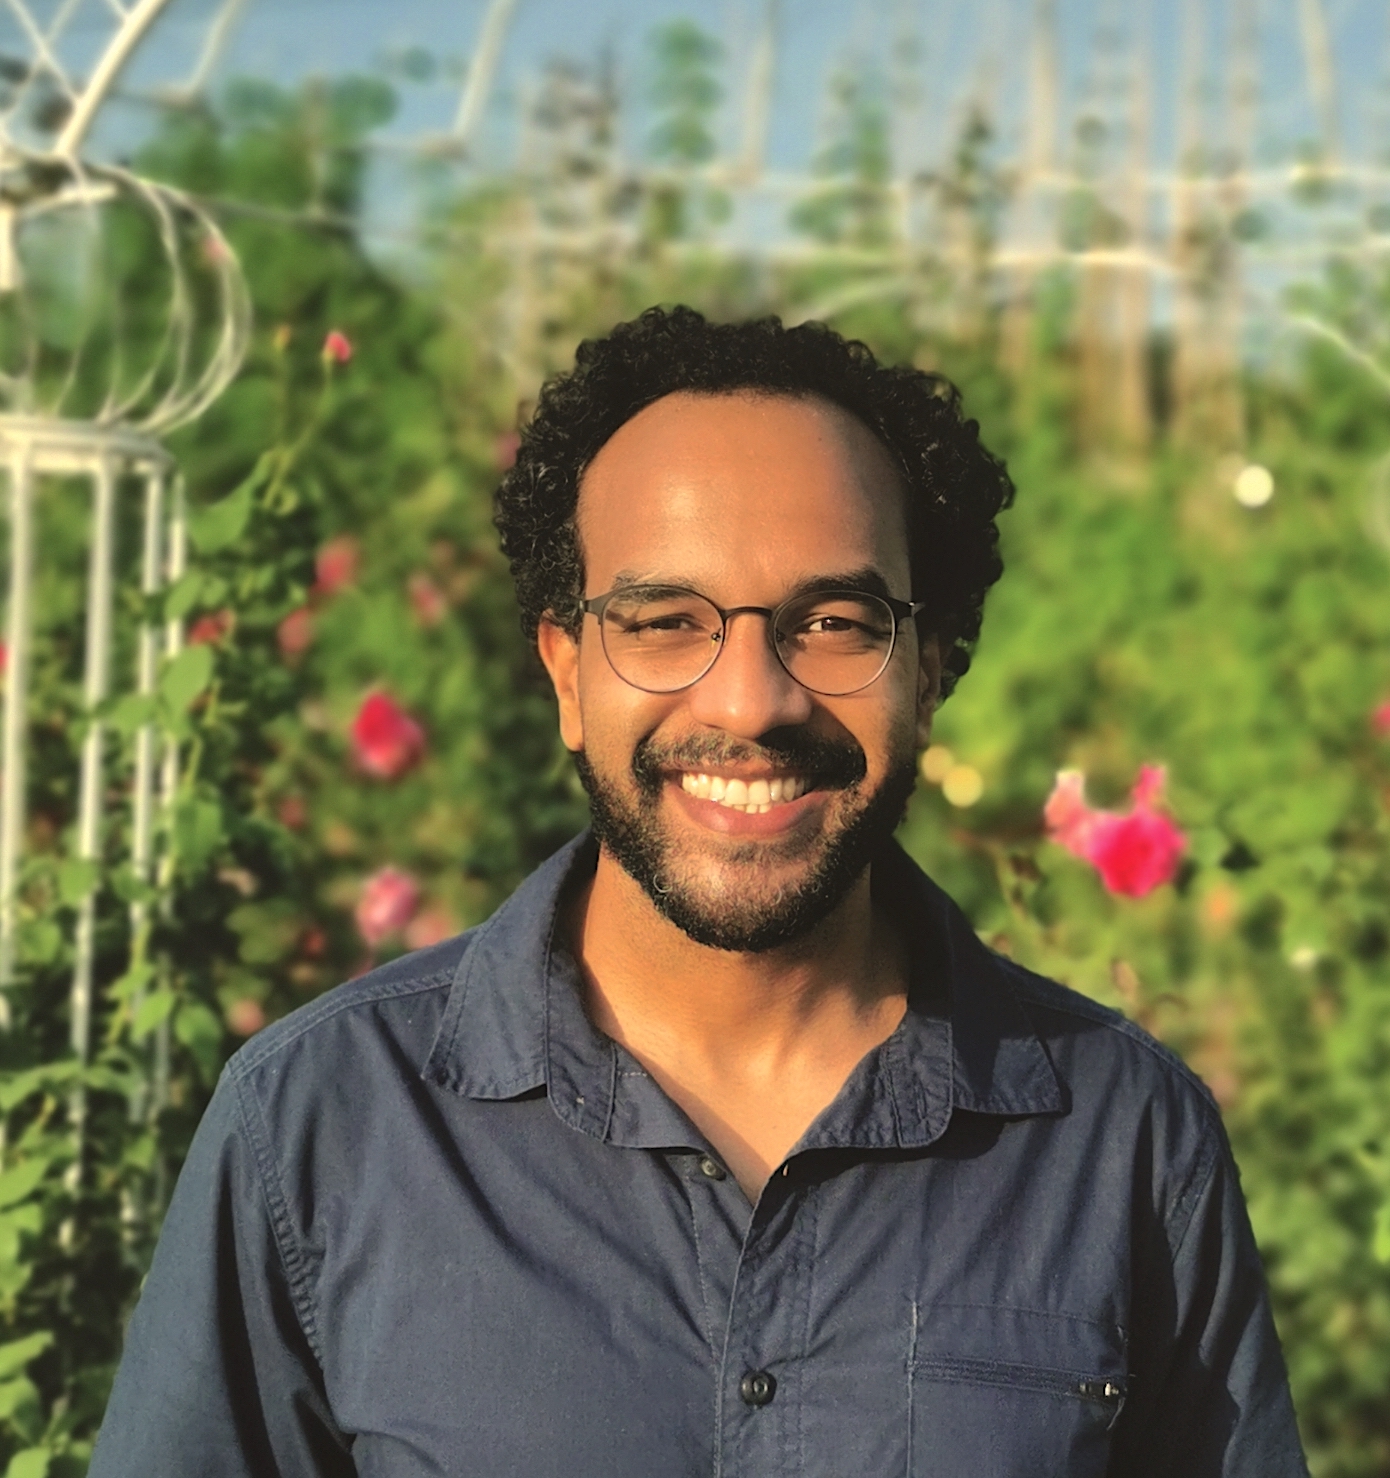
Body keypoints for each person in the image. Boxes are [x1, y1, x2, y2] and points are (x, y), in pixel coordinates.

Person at [90, 307, 1308, 1476]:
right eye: (665, 620)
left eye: (833, 620)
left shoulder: (1120, 1139)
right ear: (566, 669)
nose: (749, 700)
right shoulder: (326, 1125)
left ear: (929, 672)